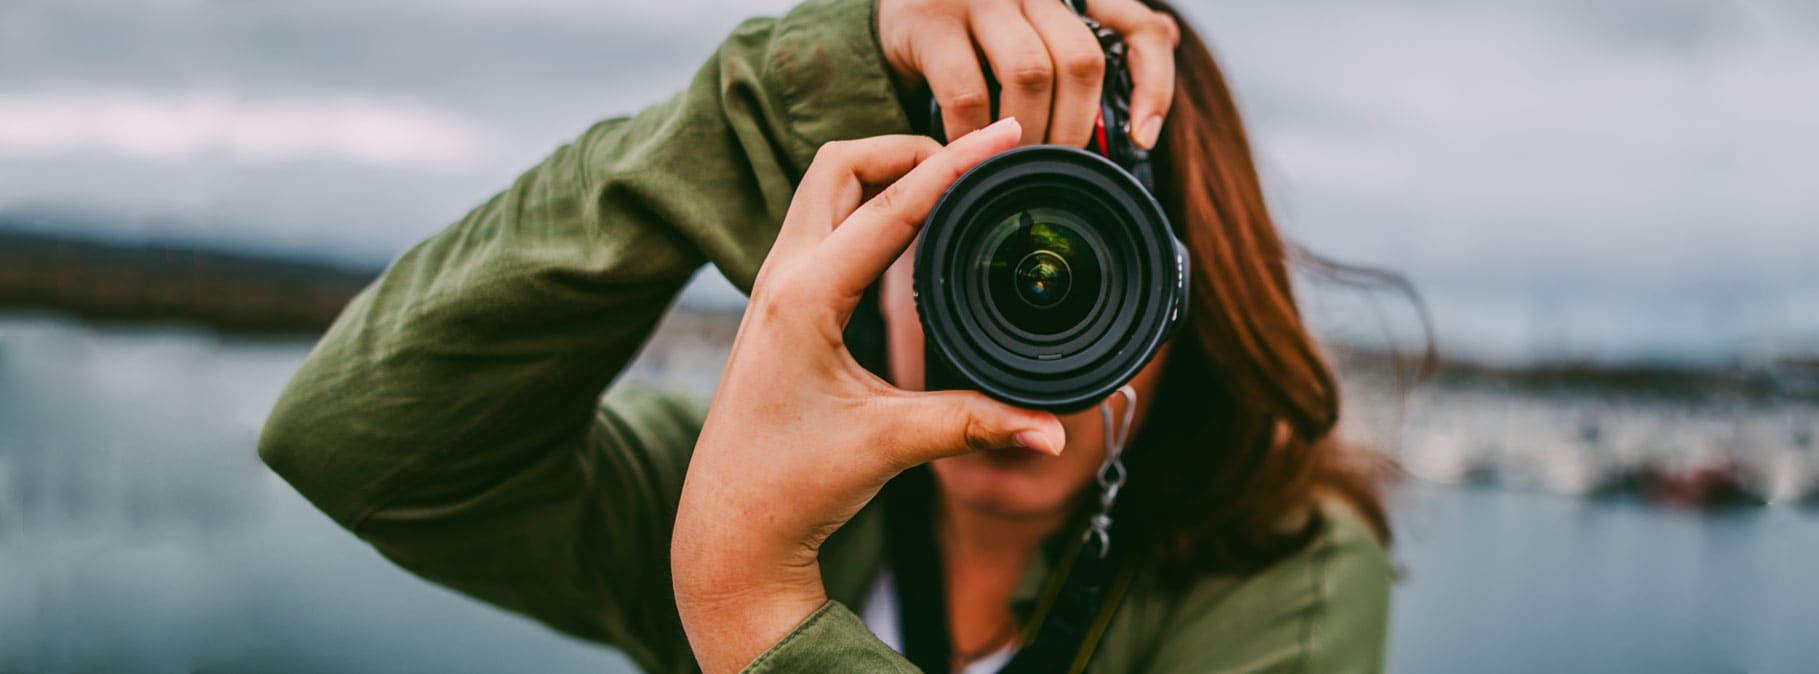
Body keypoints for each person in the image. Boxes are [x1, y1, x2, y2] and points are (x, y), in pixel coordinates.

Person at [259, 0, 1394, 671]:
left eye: (1094, 280)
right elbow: (358, 442)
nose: (1025, 353)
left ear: (1187, 310)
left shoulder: (1286, 569)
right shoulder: (734, 483)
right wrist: (767, 96)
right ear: (871, 267)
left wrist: (756, 608)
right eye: (971, 260)